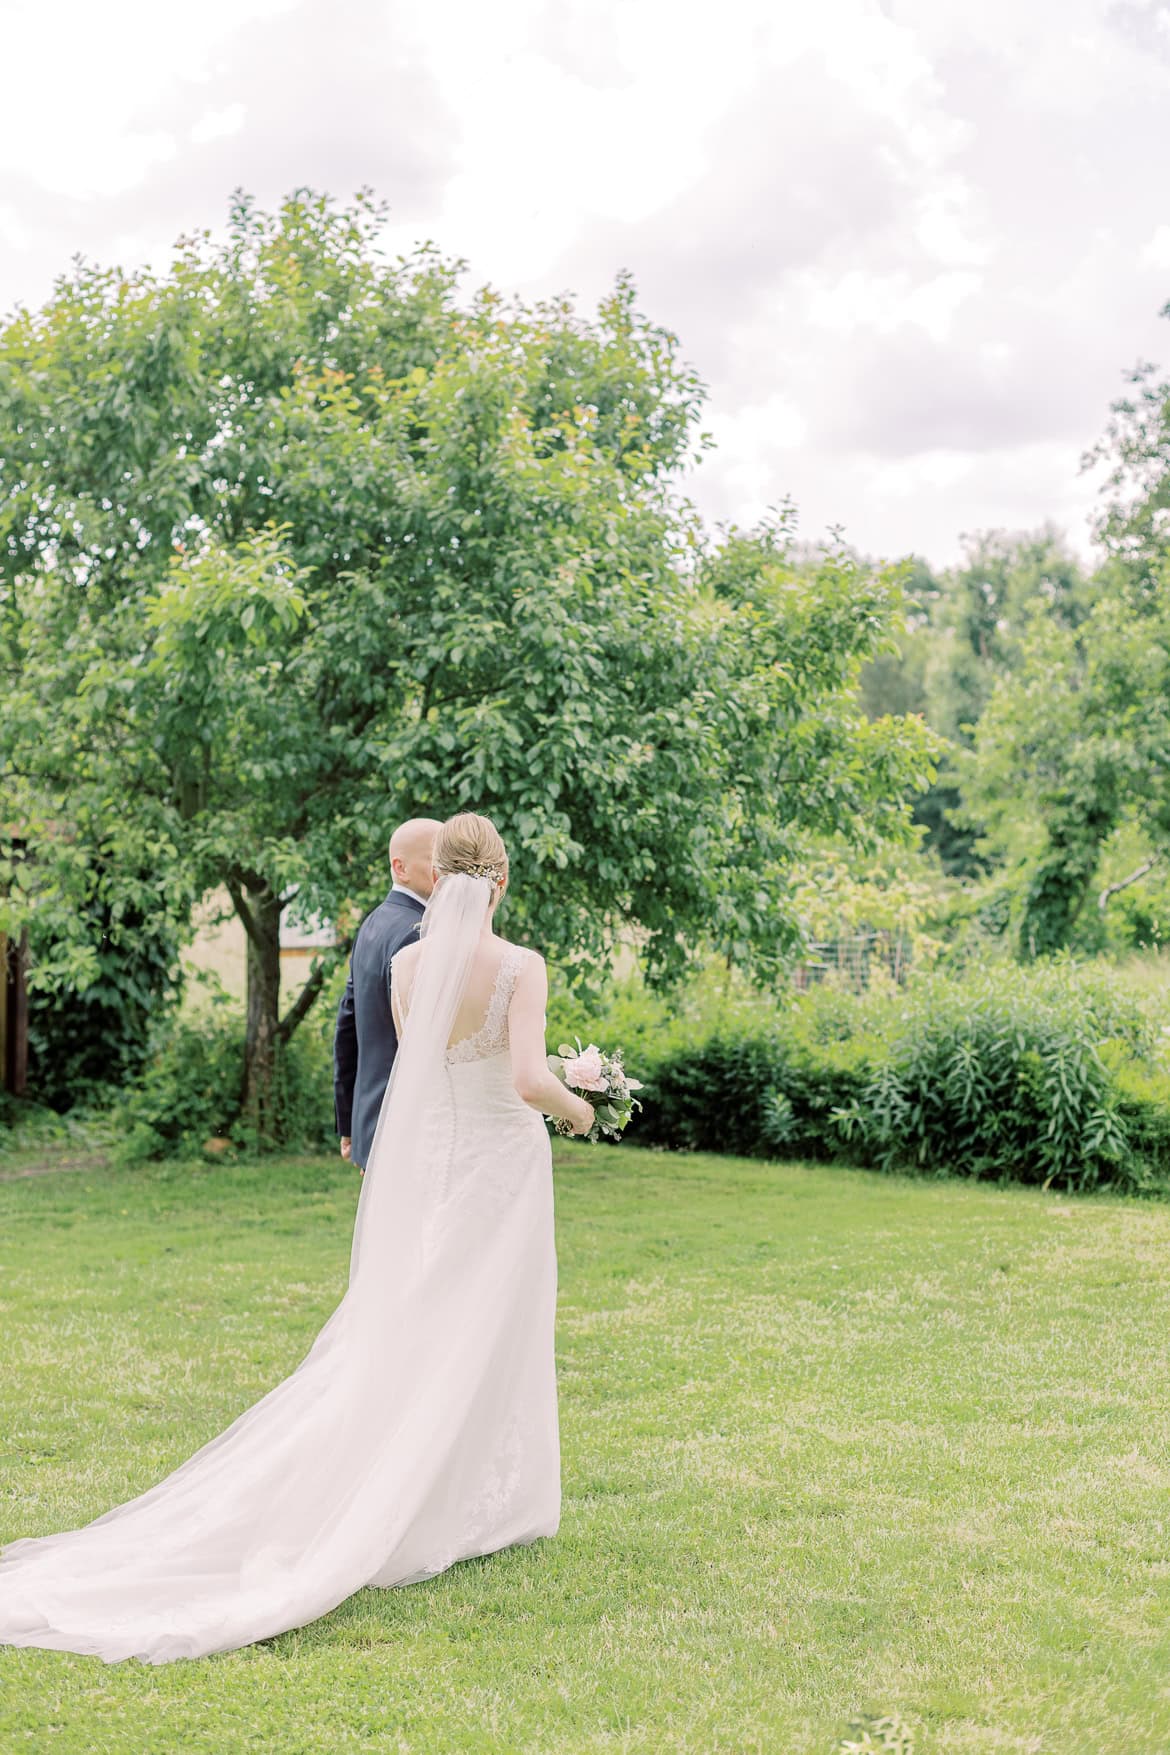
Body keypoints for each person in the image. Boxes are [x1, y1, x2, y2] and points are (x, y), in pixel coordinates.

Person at [0, 812, 594, 1664]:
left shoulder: (409, 964)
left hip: (434, 1167)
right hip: (501, 1170)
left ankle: (450, 1489)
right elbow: (528, 1076)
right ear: (500, 881)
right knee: (496, 1325)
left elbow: (423, 1075)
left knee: (431, 1328)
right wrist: (583, 1104)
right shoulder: (521, 966)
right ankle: (477, 1499)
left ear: (445, 874)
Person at [333, 816, 441, 1174]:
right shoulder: (419, 934)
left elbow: (346, 1026)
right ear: (401, 867)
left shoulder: (373, 923)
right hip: (407, 1131)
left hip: (372, 1126)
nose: (447, 871)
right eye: (436, 859)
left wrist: (350, 1122)